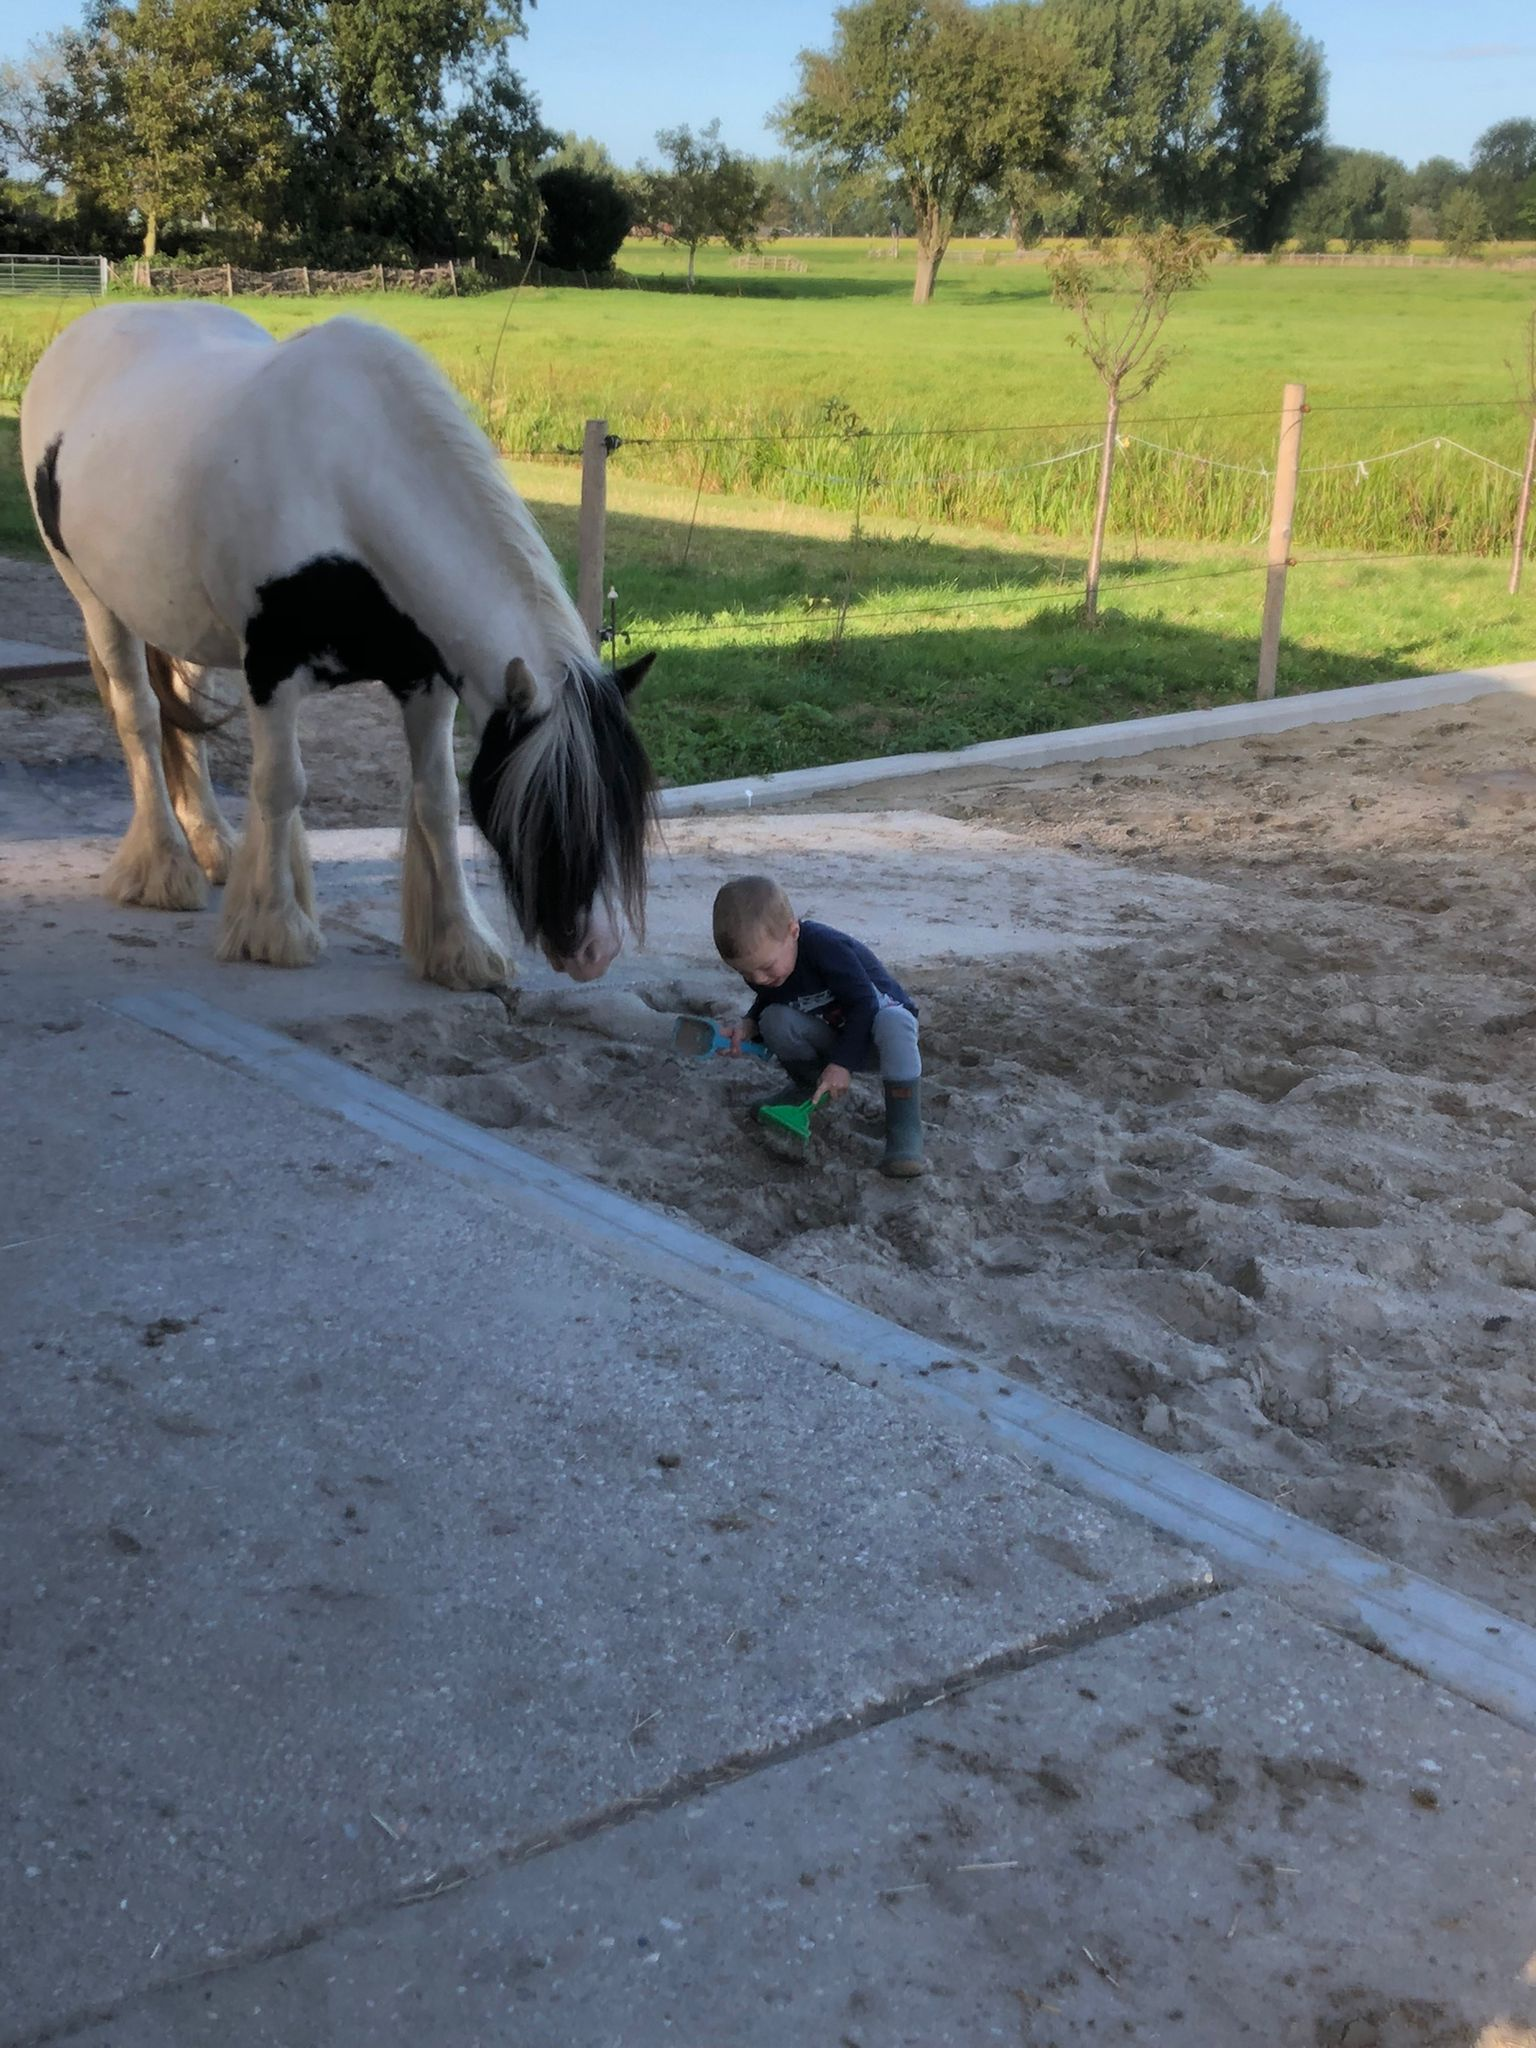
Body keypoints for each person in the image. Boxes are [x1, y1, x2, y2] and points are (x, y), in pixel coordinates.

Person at [712, 873, 924, 1179]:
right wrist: (748, 1026)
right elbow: (771, 998)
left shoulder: (825, 947)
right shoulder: (772, 969)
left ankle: (904, 1128)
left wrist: (842, 1065)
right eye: (746, 974)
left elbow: (864, 1005)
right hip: (835, 1037)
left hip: (880, 1041)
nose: (758, 979)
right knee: (774, 1019)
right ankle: (807, 1088)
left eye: (766, 967)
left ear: (793, 931)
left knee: (896, 1020)